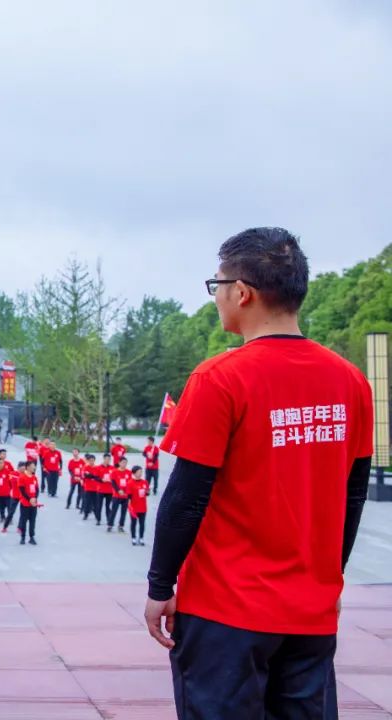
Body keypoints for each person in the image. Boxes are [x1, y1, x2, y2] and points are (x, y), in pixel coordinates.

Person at [144, 228, 373, 720]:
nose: (216, 297)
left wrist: (160, 586)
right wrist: (330, 579)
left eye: (217, 285)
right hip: (310, 612)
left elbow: (185, 497)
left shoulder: (219, 379)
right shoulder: (351, 381)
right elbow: (353, 496)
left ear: (242, 293)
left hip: (226, 611)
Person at [16, 462, 40, 546]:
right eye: (33, 466)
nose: (34, 468)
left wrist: (35, 498)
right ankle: (23, 537)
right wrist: (29, 499)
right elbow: (22, 491)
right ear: (28, 467)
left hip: (33, 504)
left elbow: (37, 489)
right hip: (25, 503)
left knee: (32, 521)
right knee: (24, 521)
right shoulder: (22, 477)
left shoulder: (34, 477)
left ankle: (31, 537)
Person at [107, 457, 132, 533]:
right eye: (123, 462)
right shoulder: (114, 472)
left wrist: (129, 494)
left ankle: (121, 526)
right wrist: (118, 490)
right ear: (119, 463)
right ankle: (110, 525)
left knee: (123, 512)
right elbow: (113, 482)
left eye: (125, 463)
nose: (124, 464)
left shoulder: (128, 472)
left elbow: (130, 483)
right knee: (114, 511)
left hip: (125, 495)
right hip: (116, 495)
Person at [127, 467, 149, 546]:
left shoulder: (145, 482)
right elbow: (129, 496)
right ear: (134, 473)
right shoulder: (130, 483)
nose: (140, 473)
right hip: (134, 507)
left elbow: (147, 493)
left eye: (141, 472)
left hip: (143, 507)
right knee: (134, 523)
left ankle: (141, 538)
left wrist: (147, 492)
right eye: (139, 472)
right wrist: (129, 507)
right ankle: (133, 538)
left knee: (142, 523)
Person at [0, 449, 14, 529]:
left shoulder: (7, 471)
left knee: (9, 507)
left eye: (2, 463)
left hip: (7, 493)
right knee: (1, 507)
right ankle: (2, 517)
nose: (1, 464)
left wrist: (10, 489)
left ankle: (10, 519)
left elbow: (11, 481)